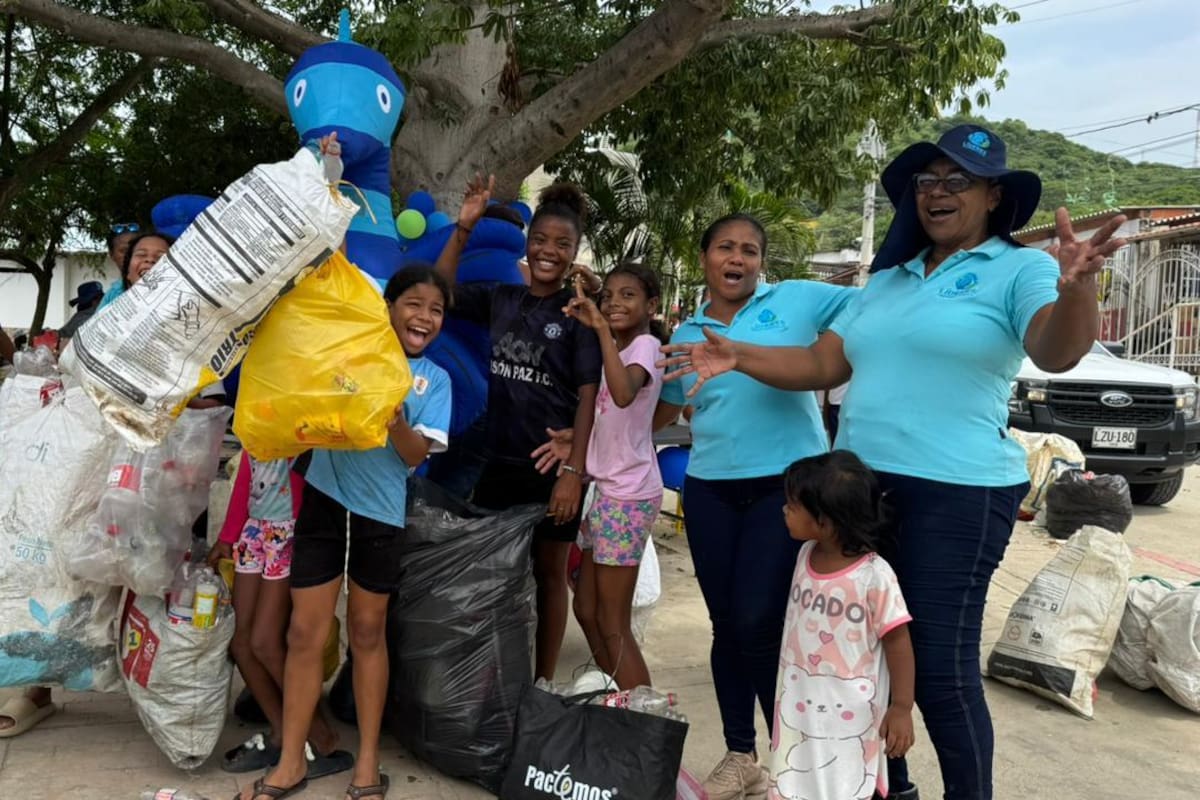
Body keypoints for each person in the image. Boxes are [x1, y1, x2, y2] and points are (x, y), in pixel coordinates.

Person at [660, 124, 1127, 800]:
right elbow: (824, 362)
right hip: (866, 492)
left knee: (938, 671)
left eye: (957, 180)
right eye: (928, 180)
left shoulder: (1018, 268)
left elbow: (1056, 350)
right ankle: (891, 791)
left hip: (957, 493)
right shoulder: (888, 280)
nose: (938, 192)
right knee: (865, 662)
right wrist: (738, 354)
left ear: (994, 195)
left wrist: (1079, 290)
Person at [654, 213, 853, 799]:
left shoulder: (796, 300)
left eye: (749, 250)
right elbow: (663, 410)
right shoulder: (687, 331)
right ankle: (742, 755)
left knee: (757, 625)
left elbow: (866, 313)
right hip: (711, 487)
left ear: (763, 262)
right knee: (726, 626)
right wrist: (588, 442)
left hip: (785, 490)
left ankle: (793, 765)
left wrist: (822, 359)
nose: (736, 258)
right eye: (724, 248)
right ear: (705, 259)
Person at [242, 265, 452, 800]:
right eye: (413, 304)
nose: (424, 317)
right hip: (324, 503)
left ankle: (366, 766)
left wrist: (396, 419)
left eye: (436, 310)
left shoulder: (433, 380)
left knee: (366, 635)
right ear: (388, 306)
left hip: (380, 516)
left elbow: (412, 457)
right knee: (303, 635)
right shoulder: (351, 352)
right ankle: (291, 763)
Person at [436, 177, 602, 682]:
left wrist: (573, 472)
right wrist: (464, 227)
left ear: (574, 255)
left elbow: (590, 395)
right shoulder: (501, 299)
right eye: (542, 240)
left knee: (549, 574)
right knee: (496, 574)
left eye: (562, 245)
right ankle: (494, 676)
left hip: (552, 470)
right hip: (498, 461)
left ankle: (542, 682)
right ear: (528, 243)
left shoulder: (577, 315)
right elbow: (438, 292)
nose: (549, 251)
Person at [769, 450, 915, 800]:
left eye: (793, 504)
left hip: (848, 712)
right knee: (793, 771)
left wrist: (902, 707)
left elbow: (898, 643)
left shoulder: (874, 577)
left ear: (826, 521)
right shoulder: (805, 555)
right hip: (798, 698)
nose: (784, 509)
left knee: (844, 782)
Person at [210, 452, 351, 778]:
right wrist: (227, 536)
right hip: (254, 530)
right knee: (241, 644)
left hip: (289, 531)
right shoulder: (259, 415)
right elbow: (247, 467)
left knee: (264, 642)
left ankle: (320, 735)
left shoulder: (302, 411)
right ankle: (282, 733)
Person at [562, 262, 666, 690]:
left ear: (651, 305)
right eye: (610, 296)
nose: (615, 303)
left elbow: (623, 394)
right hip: (605, 491)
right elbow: (613, 416)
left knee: (612, 620)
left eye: (629, 295)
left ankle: (645, 717)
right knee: (586, 609)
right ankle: (619, 694)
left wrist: (602, 327)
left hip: (628, 495)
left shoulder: (644, 346)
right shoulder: (622, 349)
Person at [99, 223, 141, 308]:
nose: (130, 254)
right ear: (112, 255)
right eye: (124, 250)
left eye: (135, 249)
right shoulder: (112, 296)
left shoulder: (162, 281)